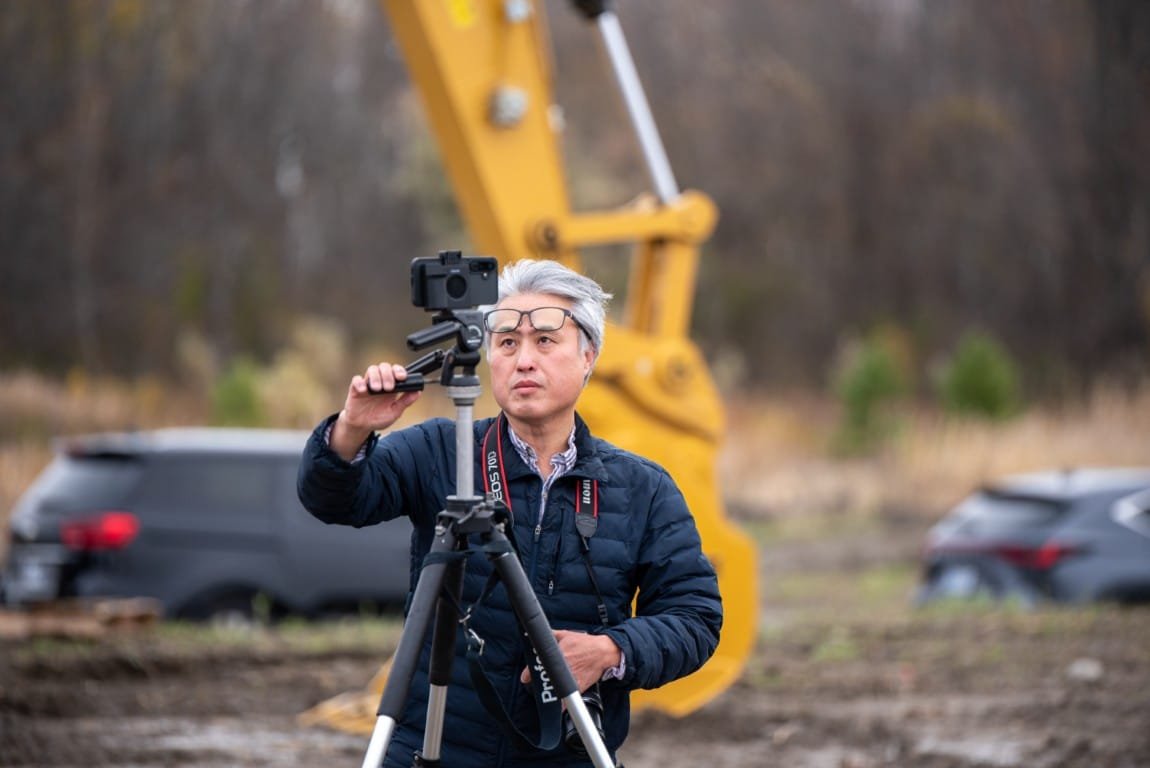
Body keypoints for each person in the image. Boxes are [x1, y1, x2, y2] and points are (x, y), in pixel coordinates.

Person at [297, 258, 722, 767]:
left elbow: (695, 617)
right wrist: (351, 429)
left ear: (588, 356)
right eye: (506, 343)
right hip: (435, 747)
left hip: (570, 752)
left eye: (545, 341)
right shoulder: (443, 452)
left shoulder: (642, 487)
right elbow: (332, 500)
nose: (524, 360)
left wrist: (610, 651)